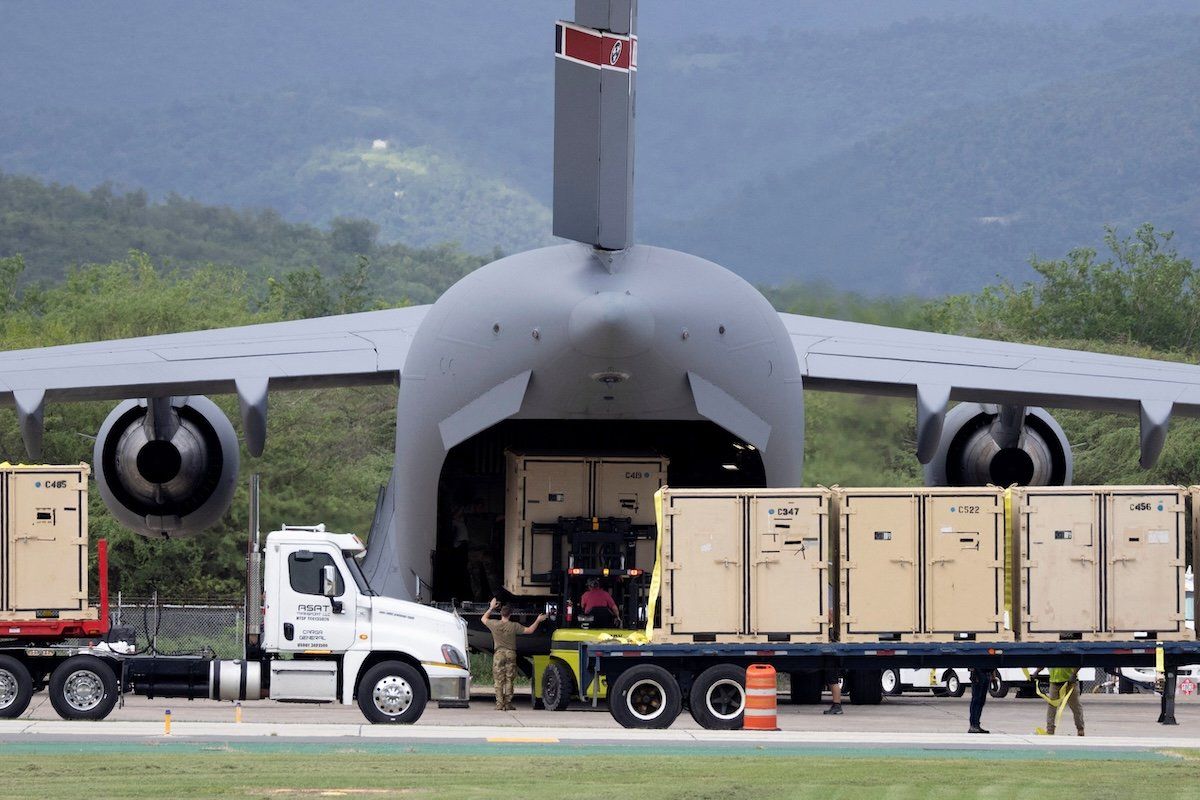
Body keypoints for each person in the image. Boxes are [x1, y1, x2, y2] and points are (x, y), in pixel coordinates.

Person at [482, 598, 547, 710]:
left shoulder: (494, 624)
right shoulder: (514, 626)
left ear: (501, 613)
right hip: (511, 654)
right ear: (510, 614)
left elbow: (483, 618)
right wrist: (538, 620)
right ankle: (507, 703)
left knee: (498, 680)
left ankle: (499, 704)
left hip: (499, 654)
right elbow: (530, 630)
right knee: (509, 679)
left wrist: (491, 607)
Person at [464, 499, 500, 601]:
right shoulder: (487, 517)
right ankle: (495, 598)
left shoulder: (469, 517)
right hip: (481, 552)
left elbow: (455, 515)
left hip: (477, 552)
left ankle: (481, 598)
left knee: (480, 577)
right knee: (489, 576)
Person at [1044, 666, 1085, 736]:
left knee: (1076, 706)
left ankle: (1080, 728)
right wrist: (1037, 672)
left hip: (1070, 683)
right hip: (1054, 682)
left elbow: (1078, 662)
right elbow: (1045, 661)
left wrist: (1073, 674)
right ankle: (1050, 729)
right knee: (1052, 707)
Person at [968, 667, 995, 733]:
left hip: (986, 672)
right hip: (978, 672)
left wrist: (993, 675)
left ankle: (976, 724)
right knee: (976, 699)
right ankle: (973, 725)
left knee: (981, 700)